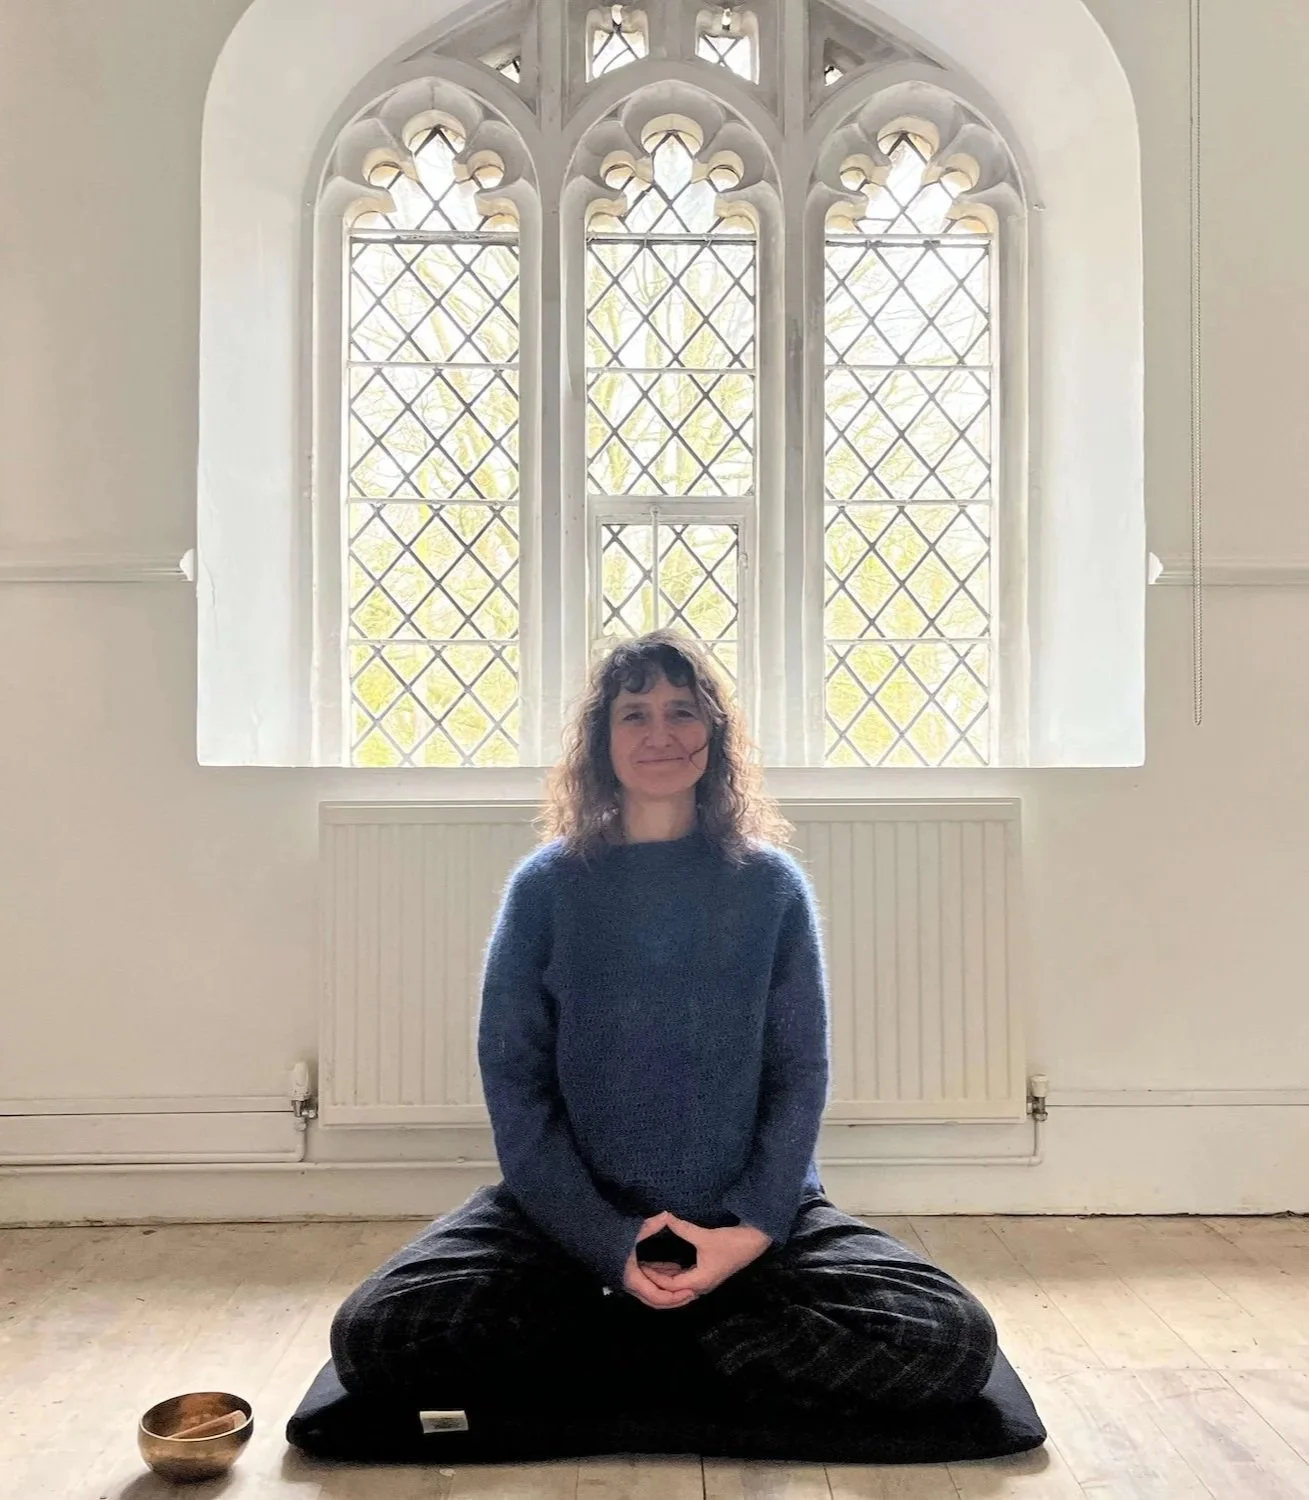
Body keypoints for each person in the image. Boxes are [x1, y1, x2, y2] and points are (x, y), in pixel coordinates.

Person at [330, 630, 997, 1422]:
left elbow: (798, 1079)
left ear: (712, 735)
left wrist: (747, 1234)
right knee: (375, 1337)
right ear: (599, 741)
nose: (659, 732)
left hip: (743, 1220)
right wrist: (603, 1241)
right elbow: (516, 1087)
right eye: (633, 713)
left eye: (682, 711)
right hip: (567, 1225)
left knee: (950, 1340)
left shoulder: (768, 888)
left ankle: (634, 1341)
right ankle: (687, 1339)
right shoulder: (545, 888)